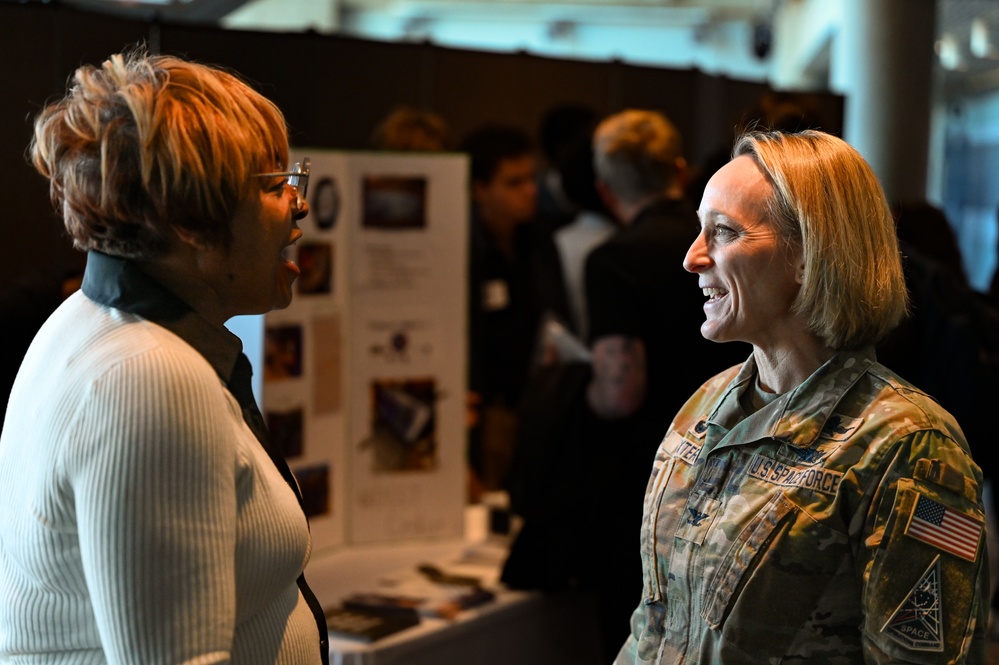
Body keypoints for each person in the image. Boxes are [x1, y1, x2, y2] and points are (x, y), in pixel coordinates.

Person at [0, 47, 330, 664]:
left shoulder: (86, 320)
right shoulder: (148, 377)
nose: (299, 204)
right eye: (273, 184)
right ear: (190, 224)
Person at [615, 129, 989, 664]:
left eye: (723, 233)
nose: (693, 258)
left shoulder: (909, 448)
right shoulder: (704, 405)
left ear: (810, 254)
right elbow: (654, 626)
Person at [571, 109, 748, 660]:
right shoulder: (726, 249)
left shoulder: (615, 259)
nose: (699, 261)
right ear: (677, 168)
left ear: (604, 189)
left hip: (645, 483)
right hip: (741, 464)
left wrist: (571, 385)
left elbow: (620, 390)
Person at [460, 123, 542, 495]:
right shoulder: (464, 252)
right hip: (487, 410)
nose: (530, 191)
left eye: (530, 179)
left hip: (534, 403)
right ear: (479, 189)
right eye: (514, 183)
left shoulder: (537, 244)